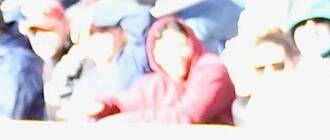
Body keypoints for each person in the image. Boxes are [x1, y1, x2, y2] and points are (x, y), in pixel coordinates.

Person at [90, 15, 236, 124]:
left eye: (181, 46)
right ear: (156, 57)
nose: (178, 55)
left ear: (192, 43)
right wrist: (104, 106)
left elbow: (187, 116)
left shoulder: (211, 70)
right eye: (167, 51)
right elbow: (124, 102)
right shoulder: (157, 83)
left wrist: (124, 122)